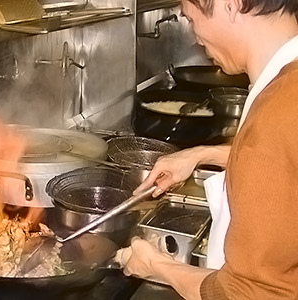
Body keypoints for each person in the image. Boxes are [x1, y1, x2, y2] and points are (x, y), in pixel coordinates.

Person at [117, 0, 298, 299]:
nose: (194, 35)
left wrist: (157, 265)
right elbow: (285, 163)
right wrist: (202, 154)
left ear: (231, 4)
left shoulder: (276, 113)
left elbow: (248, 294)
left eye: (191, 17)